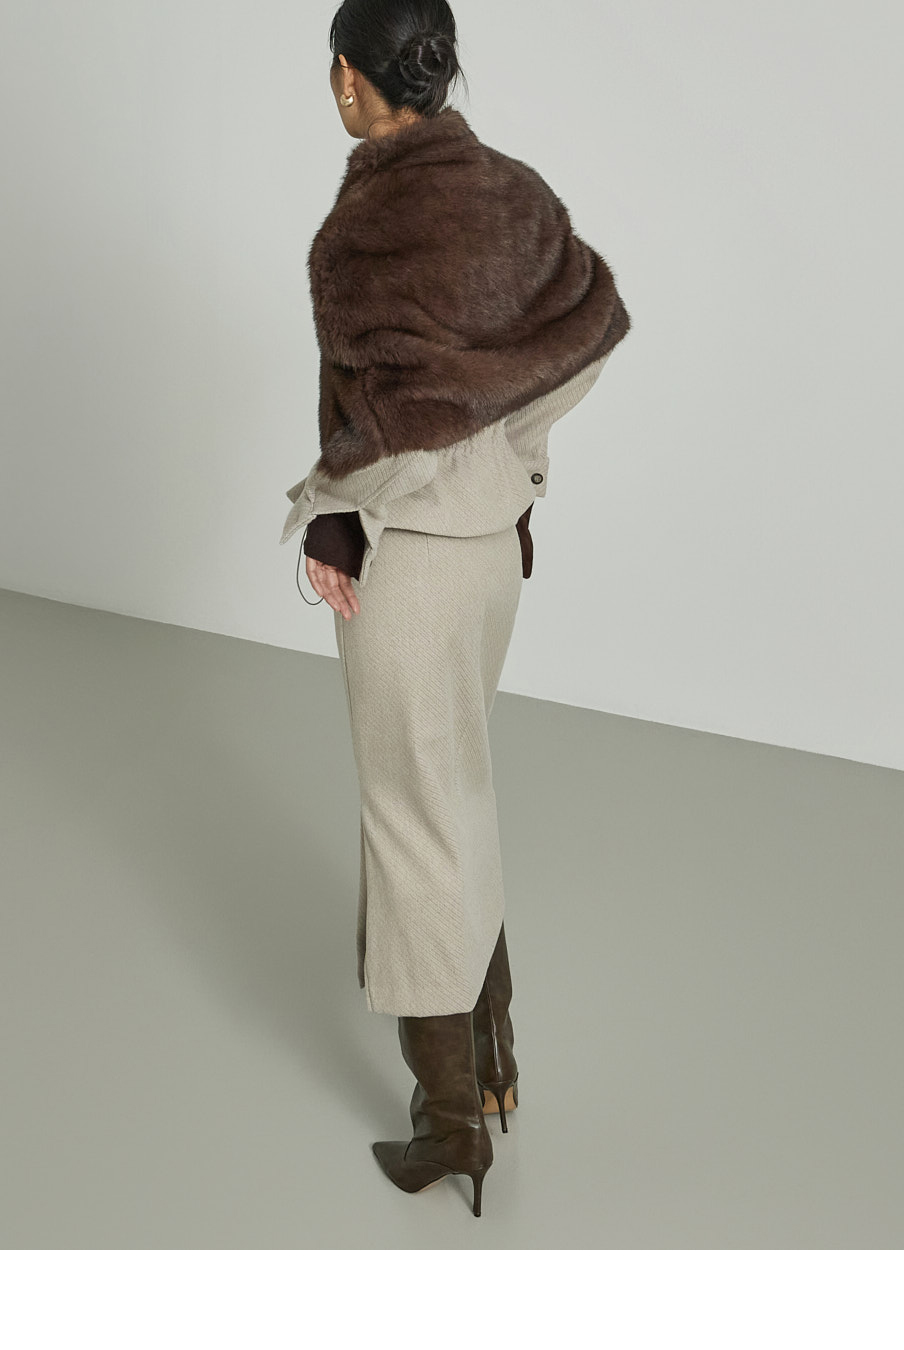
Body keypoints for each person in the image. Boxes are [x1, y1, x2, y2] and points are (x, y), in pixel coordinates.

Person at [280, 0, 631, 1217]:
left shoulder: (358, 233)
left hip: (412, 570)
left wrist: (334, 515)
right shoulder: (518, 197)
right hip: (488, 563)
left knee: (410, 820)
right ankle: (494, 1064)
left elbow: (378, 423)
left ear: (349, 80)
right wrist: (516, 477)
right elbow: (584, 340)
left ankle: (448, 1126)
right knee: (459, 794)